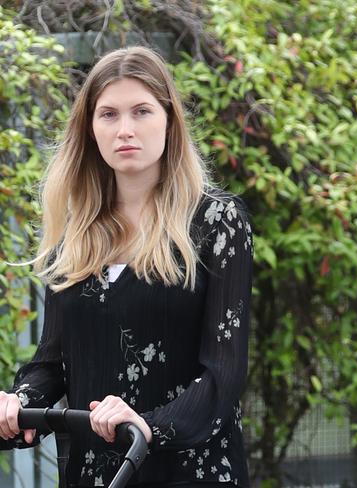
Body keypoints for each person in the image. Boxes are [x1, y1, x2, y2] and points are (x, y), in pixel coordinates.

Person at [0, 46, 253, 487]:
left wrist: (148, 424)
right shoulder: (75, 234)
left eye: (141, 111)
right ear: (91, 129)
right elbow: (54, 362)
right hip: (95, 475)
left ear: (170, 120)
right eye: (109, 115)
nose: (125, 130)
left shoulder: (216, 223)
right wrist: (18, 403)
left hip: (189, 473)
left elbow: (223, 375)